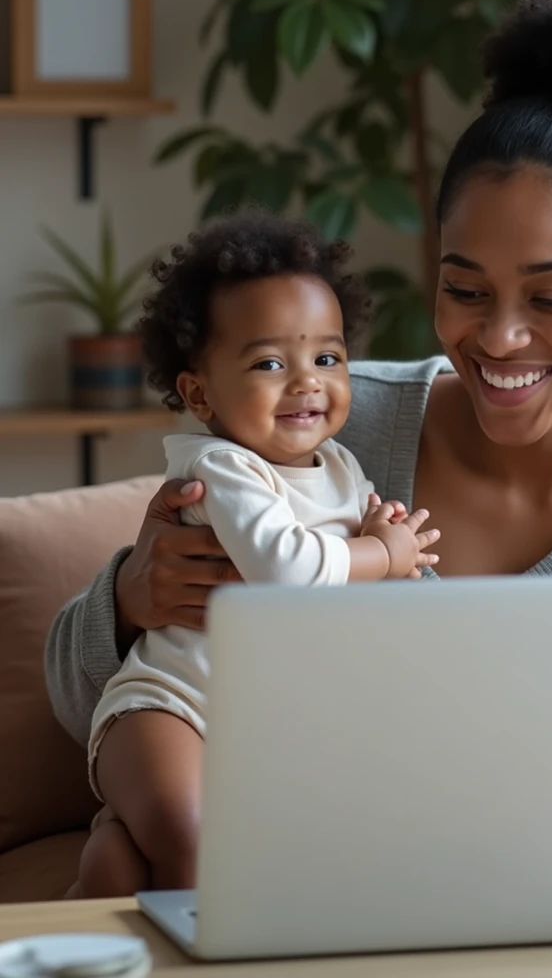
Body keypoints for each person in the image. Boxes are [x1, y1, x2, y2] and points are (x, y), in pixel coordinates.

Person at [47, 0, 552, 866]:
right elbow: (79, 693)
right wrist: (132, 600)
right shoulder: (324, 422)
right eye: (465, 289)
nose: (499, 338)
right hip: (364, 886)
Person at [74, 214, 440, 896]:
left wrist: (380, 529)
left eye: (327, 358)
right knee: (195, 842)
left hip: (267, 727)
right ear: (200, 393)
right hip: (174, 707)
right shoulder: (223, 467)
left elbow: (360, 602)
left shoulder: (341, 468)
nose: (306, 382)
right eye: (270, 363)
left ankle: (115, 855)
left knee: (168, 859)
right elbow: (290, 573)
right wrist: (380, 553)